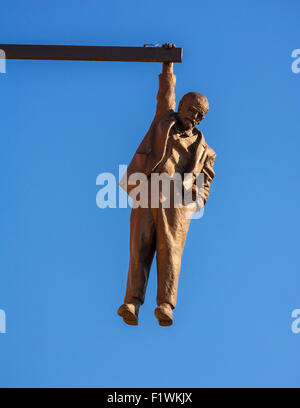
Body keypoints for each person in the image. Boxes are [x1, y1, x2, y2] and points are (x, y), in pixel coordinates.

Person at [118, 43, 216, 326]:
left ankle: (165, 304)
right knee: (139, 246)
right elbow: (165, 95)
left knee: (170, 252)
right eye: (191, 109)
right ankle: (132, 303)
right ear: (181, 107)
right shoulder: (164, 121)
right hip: (149, 189)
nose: (194, 116)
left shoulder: (205, 150)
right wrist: (167, 65)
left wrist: (193, 202)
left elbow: (205, 184)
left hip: (176, 199)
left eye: (200, 114)